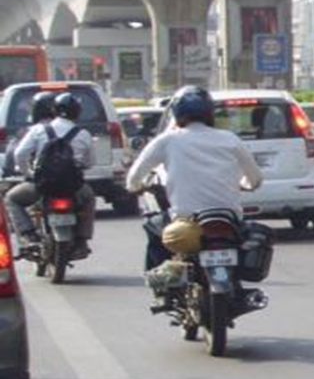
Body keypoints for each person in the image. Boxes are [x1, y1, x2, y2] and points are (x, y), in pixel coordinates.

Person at [126, 86, 264, 270]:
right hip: (229, 221)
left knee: (153, 228)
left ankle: (162, 289)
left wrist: (137, 187)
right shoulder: (230, 139)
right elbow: (255, 179)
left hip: (185, 220)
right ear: (210, 113)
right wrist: (244, 185)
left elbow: (133, 178)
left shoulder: (167, 140)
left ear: (177, 114)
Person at [4, 91, 97, 258]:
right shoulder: (83, 134)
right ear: (77, 112)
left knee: (11, 199)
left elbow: (20, 154)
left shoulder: (38, 130)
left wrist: (29, 173)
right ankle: (82, 240)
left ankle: (29, 235)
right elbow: (90, 162)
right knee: (89, 198)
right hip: (73, 188)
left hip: (41, 185)